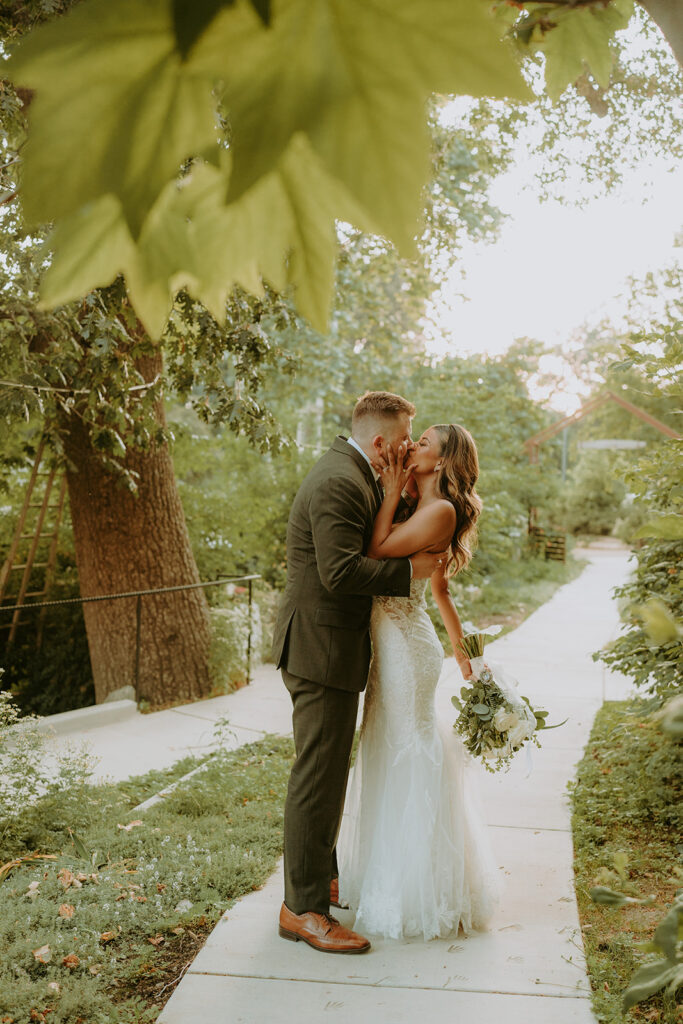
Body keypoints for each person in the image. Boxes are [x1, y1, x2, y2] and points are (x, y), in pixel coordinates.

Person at [272, 392, 446, 954]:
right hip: (320, 651)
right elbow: (340, 571)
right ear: (379, 442)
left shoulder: (359, 472)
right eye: (402, 441)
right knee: (317, 779)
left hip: (335, 648)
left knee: (327, 775)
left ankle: (319, 882)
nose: (406, 451)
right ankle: (302, 911)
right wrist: (411, 570)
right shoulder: (338, 480)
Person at [337, 422, 501, 940]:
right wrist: (466, 652)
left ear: (445, 459)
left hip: (407, 646)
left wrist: (389, 490)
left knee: (410, 751)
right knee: (387, 748)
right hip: (399, 640)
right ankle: (392, 874)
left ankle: (418, 889)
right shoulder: (418, 501)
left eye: (426, 442)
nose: (415, 445)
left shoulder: (442, 510)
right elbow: (442, 590)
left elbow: (379, 549)